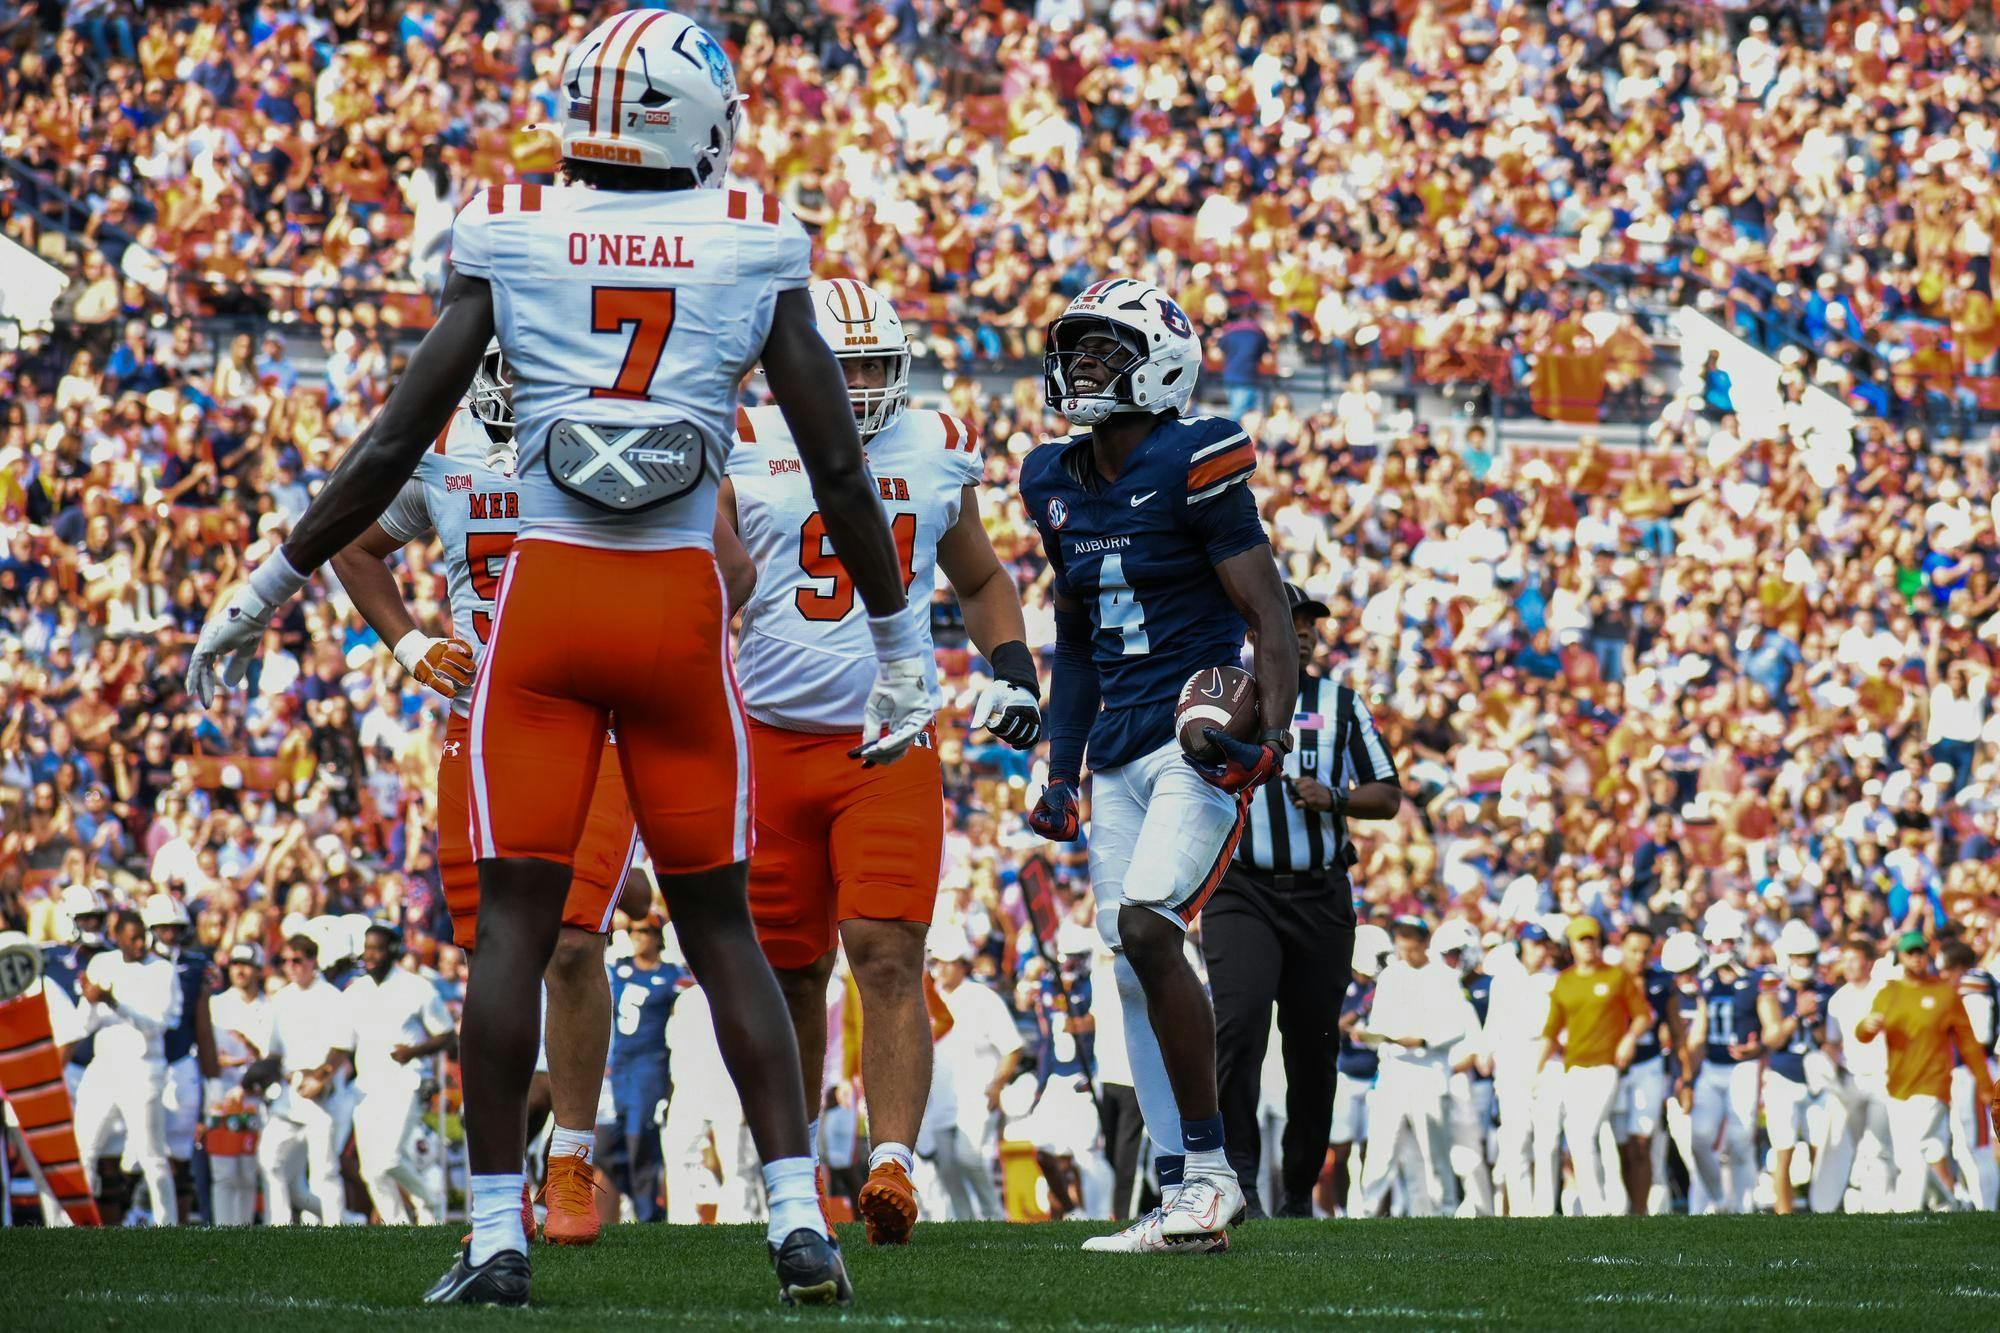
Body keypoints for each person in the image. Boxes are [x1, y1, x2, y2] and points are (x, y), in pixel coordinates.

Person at [185, 9, 924, 1307]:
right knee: (724, 934)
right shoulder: (752, 241)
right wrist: (901, 636)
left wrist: (272, 578)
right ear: (697, 115)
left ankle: (493, 1233)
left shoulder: (511, 230)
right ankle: (796, 1223)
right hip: (679, 616)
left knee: (514, 935)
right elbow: (840, 471)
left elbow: (388, 446)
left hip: (549, 604)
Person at [718, 276, 1042, 1245]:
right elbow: (706, 568)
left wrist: (1016, 670)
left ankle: (892, 1163)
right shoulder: (742, 436)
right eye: (839, 364)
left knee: (889, 954)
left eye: (871, 366)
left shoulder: (936, 446)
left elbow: (980, 576)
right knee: (790, 969)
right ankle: (794, 1167)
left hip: (887, 744)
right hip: (770, 743)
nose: (855, 386)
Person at [328, 354, 642, 1246]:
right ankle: (498, 1183)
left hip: (597, 713)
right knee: (494, 955)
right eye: (505, 361)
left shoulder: (610, 425)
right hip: (485, 721)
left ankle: (570, 1162)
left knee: (575, 942)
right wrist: (409, 645)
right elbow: (352, 544)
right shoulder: (440, 448)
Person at [1023, 278, 1297, 1253]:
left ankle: (1212, 1172)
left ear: (1162, 362)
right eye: (1078, 350)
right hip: (1113, 752)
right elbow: (1077, 638)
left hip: (1195, 739)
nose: (1082, 368)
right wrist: (1058, 768)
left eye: (1104, 350)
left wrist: (1260, 733)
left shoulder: (1196, 457)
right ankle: (1183, 1186)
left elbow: (1268, 616)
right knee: (1129, 964)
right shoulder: (1050, 479)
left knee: (1147, 924)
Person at [1204, 582, 1399, 1218]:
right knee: (1239, 1029)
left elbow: (1389, 794)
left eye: (1312, 622)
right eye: (1292, 620)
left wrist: (1336, 798)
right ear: (1257, 628)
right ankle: (1238, 1181)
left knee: (1313, 1043)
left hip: (1319, 890)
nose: (1306, 631)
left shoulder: (1342, 704)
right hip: (1241, 888)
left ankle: (1296, 1189)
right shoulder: (1222, 698)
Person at [1856, 932, 1999, 1211]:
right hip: (1897, 1084)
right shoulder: (1890, 992)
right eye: (1911, 953)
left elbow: (1969, 1043)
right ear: (1901, 956)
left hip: (1934, 1083)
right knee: (1920, 1151)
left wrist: (1984, 1084)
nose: (1917, 957)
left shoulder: (1944, 993)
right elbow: (1863, 1032)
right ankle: (1949, 1202)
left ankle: (1905, 1211)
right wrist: (1867, 1027)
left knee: (1915, 1148)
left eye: (1920, 951)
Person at [1353, 917, 1474, 1218]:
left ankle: (1444, 1210)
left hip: (1429, 1073)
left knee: (1435, 1150)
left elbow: (1458, 1027)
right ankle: (1366, 1212)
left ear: (1422, 942)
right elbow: (1378, 1024)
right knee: (1381, 1148)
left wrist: (1421, 1040)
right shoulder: (1391, 976)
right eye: (1400, 939)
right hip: (1393, 1072)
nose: (1405, 947)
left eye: (1410, 940)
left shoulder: (1445, 976)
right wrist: (1370, 1035)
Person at [72, 908, 182, 1225]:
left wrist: (113, 1001)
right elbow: (85, 1024)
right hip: (104, 1067)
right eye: (133, 939)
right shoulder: (101, 964)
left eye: (143, 938)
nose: (140, 945)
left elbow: (155, 1025)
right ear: (117, 937)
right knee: (84, 1148)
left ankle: (168, 1225)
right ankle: (75, 1225)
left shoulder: (162, 971)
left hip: (143, 1069)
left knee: (151, 1153)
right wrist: (94, 1001)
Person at [1537, 916, 1650, 1217]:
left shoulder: (1616, 977)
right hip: (1574, 1069)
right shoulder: (1565, 981)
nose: (1588, 945)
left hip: (1605, 1068)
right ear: (1571, 945)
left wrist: (1629, 1038)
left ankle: (1596, 1209)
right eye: (1582, 940)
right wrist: (1536, 1071)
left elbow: (1642, 1015)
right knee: (1580, 1138)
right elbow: (1551, 1029)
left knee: (1583, 1134)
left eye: (1592, 939)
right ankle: (1596, 1206)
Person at [344, 924, 456, 1224]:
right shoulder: (355, 992)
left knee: (391, 1157)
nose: (370, 955)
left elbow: (446, 1036)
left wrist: (413, 1051)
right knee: (370, 1169)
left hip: (406, 1081)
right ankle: (396, 1227)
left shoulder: (417, 988)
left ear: (393, 951)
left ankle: (430, 1202)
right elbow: (341, 1043)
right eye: (367, 948)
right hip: (366, 1087)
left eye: (377, 948)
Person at [256, 933, 354, 1227]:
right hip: (289, 1092)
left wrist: (322, 1077)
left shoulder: (332, 998)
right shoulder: (281, 999)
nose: (291, 967)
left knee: (324, 1169)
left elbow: (342, 1045)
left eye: (297, 960)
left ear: (313, 961)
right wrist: (255, 1077)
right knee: (269, 1159)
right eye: (285, 961)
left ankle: (336, 1230)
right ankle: (280, 1225)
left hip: (321, 1091)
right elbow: (273, 1052)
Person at [923, 930, 1023, 1220]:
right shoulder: (930, 1000)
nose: (940, 968)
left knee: (969, 1157)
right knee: (946, 1168)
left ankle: (995, 1217)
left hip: (975, 1096)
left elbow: (1012, 1047)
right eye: (936, 962)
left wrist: (996, 1086)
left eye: (948, 962)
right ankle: (966, 1227)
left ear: (963, 964)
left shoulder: (983, 997)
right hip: (939, 1100)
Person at [143, 893, 216, 1225]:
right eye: (163, 928)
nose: (169, 935)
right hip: (141, 1062)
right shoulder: (133, 965)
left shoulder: (195, 966)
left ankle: (177, 1224)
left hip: (180, 1063)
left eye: (175, 928)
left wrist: (212, 1080)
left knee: (180, 1154)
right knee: (137, 1151)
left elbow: (202, 1024)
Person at [607, 914, 682, 1222]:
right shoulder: (619, 969)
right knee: (606, 1147)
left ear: (657, 937)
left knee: (640, 1140)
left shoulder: (671, 976)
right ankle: (643, 1201)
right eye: (634, 930)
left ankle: (649, 1215)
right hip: (617, 1066)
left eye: (644, 930)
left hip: (650, 1065)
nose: (637, 935)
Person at [1688, 916, 1765, 1215]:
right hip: (1711, 1066)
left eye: (1725, 941)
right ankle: (1720, 1198)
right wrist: (1686, 1076)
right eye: (1713, 942)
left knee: (1739, 1138)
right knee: (1698, 1137)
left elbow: (1770, 1027)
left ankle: (1744, 1207)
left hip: (1742, 1067)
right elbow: (1698, 1032)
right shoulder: (1705, 983)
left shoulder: (1756, 980)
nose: (1718, 948)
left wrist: (1758, 1047)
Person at [1487, 922, 1562, 1216]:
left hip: (1548, 1059)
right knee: (1516, 1139)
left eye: (1544, 944)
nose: (1540, 950)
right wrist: (1491, 1056)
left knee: (1548, 1139)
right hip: (1512, 1058)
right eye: (1534, 944)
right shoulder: (1503, 979)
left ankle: (1544, 1210)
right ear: (1522, 946)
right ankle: (1520, 1211)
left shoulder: (1555, 980)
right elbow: (1493, 1025)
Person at [1820, 935, 1897, 1212]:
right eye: (1846, 960)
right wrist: (1827, 1067)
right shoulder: (1838, 999)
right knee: (1856, 1146)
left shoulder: (1883, 991)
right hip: (1852, 1079)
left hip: (1883, 1078)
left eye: (1855, 960)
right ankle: (1862, 1204)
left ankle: (1883, 1207)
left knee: (1878, 1146)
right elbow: (1832, 1042)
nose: (1849, 966)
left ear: (1868, 962)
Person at [1759, 921, 1832, 1215]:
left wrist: (1813, 1020)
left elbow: (1829, 1041)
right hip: (1783, 1076)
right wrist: (1796, 1016)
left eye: (1809, 956)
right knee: (1783, 1148)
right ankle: (1783, 1213)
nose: (1804, 962)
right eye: (1798, 956)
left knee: (1821, 1149)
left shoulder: (1826, 991)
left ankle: (1820, 1209)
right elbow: (1772, 1039)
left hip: (1818, 1078)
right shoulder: (1772, 990)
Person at [1325, 923, 1390, 1217]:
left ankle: (1370, 1210)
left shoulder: (1384, 989)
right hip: (1347, 1075)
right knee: (1341, 1151)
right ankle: (1341, 1210)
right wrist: (1364, 1007)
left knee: (1372, 1150)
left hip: (1377, 1077)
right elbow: (1334, 1026)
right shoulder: (1343, 985)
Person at [1433, 920, 1496, 1217]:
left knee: (1469, 1152)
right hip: (1430, 1079)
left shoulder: (1471, 994)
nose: (1451, 962)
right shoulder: (1428, 991)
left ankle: (1481, 1209)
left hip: (1460, 1079)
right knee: (1431, 1151)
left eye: (1456, 954)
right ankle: (1437, 1209)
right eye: (1447, 955)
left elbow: (1476, 1046)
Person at [208, 942, 271, 1226]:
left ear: (259, 970)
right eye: (235, 964)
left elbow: (269, 1056)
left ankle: (243, 1231)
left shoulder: (269, 1008)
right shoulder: (216, 1005)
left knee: (249, 1171)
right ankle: (224, 1231)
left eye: (246, 964)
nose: (240, 970)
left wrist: (249, 1056)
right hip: (221, 1094)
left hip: (257, 1097)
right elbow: (210, 1055)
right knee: (223, 1172)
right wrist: (238, 1060)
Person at [1938, 940, 1998, 1210]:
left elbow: (1979, 1035)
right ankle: (1979, 1204)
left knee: (1975, 1146)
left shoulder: (1973, 983)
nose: (1943, 977)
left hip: (1973, 1070)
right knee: (1967, 1145)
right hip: (1972, 1069)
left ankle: (1984, 1208)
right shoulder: (1980, 980)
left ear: (1960, 967)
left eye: (1947, 970)